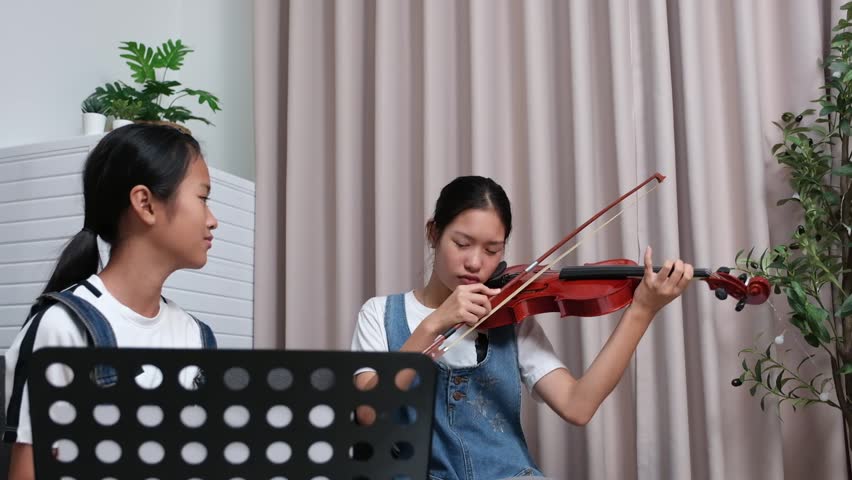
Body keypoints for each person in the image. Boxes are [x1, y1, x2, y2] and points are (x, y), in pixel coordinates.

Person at [351, 175, 693, 480]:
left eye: (491, 250)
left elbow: (578, 405)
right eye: (462, 243)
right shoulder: (380, 314)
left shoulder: (509, 319)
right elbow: (368, 413)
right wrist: (436, 322)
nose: (475, 262)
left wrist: (642, 310)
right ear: (433, 233)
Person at [3, 124, 219, 480]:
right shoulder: (64, 327)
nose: (213, 220)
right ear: (145, 203)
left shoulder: (198, 337)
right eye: (203, 197)